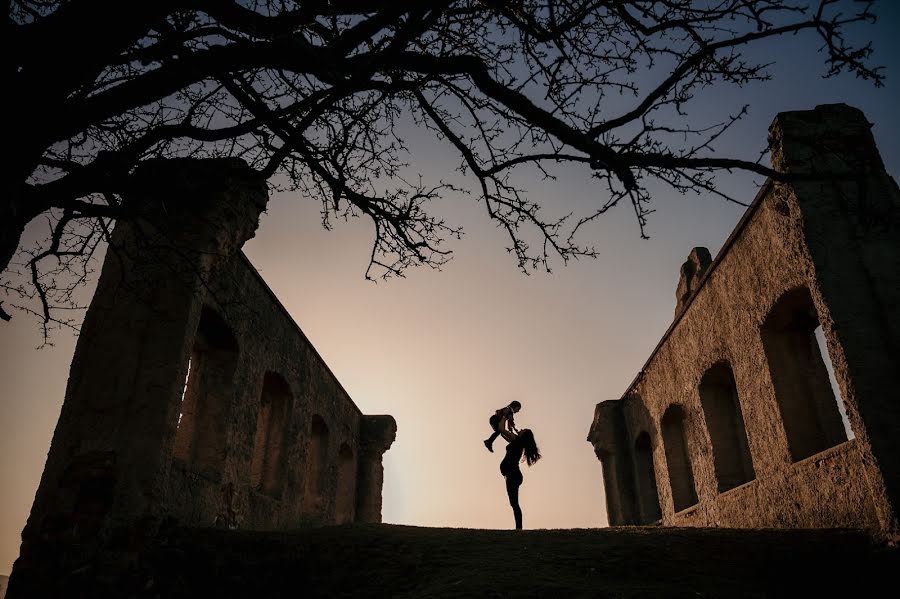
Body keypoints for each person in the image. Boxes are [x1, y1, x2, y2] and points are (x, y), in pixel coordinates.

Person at [499, 428, 541, 530]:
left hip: (512, 474)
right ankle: (519, 528)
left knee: (514, 503)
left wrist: (505, 415)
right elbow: (503, 434)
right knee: (514, 503)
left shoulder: (517, 441)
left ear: (523, 435)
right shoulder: (517, 441)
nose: (521, 429)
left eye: (523, 430)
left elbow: (501, 429)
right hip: (513, 474)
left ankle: (519, 528)